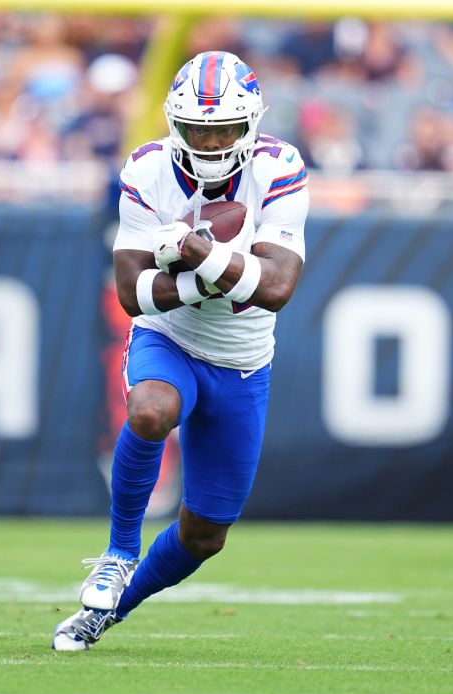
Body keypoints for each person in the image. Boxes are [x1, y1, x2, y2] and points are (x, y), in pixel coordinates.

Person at [53, 51, 309, 651]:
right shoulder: (147, 169)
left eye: (224, 128)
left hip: (243, 362)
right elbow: (133, 296)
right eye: (197, 127)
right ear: (174, 122)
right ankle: (118, 553)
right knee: (148, 411)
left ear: (252, 125)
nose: (211, 140)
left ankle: (107, 613)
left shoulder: (279, 165)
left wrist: (196, 253)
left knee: (204, 536)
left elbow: (275, 289)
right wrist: (216, 271)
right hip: (171, 338)